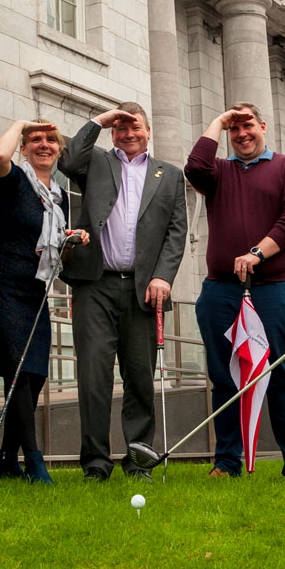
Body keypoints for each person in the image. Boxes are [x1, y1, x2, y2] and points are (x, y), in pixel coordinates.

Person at [184, 102, 285, 484]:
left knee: (283, 375)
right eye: (234, 129)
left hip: (275, 289)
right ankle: (226, 463)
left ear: (263, 126)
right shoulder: (218, 172)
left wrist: (257, 253)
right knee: (225, 378)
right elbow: (194, 167)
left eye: (248, 126)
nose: (242, 134)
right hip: (221, 291)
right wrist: (218, 121)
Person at [58, 103, 188, 482]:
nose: (128, 134)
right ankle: (95, 464)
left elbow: (176, 232)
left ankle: (138, 461)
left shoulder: (170, 175)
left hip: (144, 289)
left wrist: (164, 276)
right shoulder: (97, 161)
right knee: (94, 376)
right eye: (120, 128)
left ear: (149, 131)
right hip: (94, 285)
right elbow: (68, 162)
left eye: (135, 127)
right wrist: (100, 121)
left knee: (139, 378)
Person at [0, 119, 88, 485]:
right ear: (25, 148)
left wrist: (71, 241)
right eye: (34, 140)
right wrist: (22, 123)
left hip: (34, 290)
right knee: (18, 372)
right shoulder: (15, 180)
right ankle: (35, 462)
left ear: (59, 149)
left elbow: (56, 257)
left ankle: (6, 459)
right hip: (0, 284)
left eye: (50, 140)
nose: (43, 145)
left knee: (33, 374)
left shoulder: (60, 198)